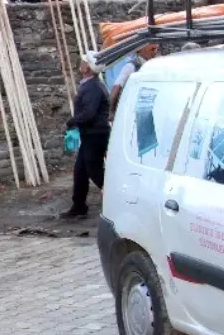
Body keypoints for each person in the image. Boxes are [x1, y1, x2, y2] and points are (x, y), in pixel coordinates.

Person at [62, 52, 111, 220]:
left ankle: (116, 197)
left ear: (88, 69)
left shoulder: (93, 87)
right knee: (80, 171)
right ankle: (79, 206)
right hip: (91, 133)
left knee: (94, 170)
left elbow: (89, 113)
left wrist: (72, 121)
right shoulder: (91, 85)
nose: (80, 64)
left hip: (95, 134)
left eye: (83, 62)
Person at [109, 43, 157, 120]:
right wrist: (111, 111)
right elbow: (117, 87)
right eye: (152, 49)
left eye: (156, 49)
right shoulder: (131, 66)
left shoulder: (154, 65)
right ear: (140, 49)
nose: (155, 52)